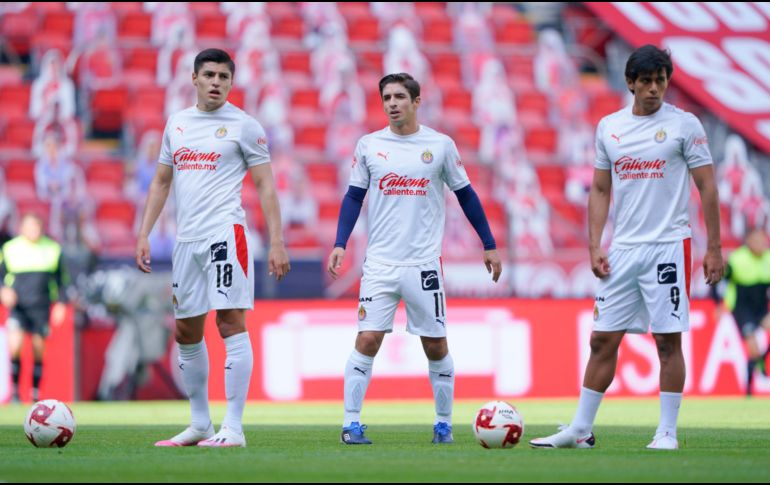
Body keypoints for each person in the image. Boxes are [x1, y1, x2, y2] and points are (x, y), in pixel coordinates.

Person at [529, 45, 724, 451]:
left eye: (661, 80)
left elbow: (707, 186)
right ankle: (581, 429)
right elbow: (600, 188)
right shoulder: (609, 127)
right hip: (623, 250)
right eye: (647, 81)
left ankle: (667, 432)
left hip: (668, 245)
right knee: (602, 340)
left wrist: (714, 248)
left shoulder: (684, 126)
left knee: (667, 341)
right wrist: (594, 244)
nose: (655, 89)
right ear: (631, 83)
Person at [328, 73, 503, 445]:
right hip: (380, 264)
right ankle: (350, 423)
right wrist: (340, 242)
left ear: (416, 101)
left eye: (399, 97)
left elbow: (467, 195)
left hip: (424, 265)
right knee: (367, 338)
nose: (392, 103)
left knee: (435, 345)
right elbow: (354, 196)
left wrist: (488, 243)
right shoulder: (370, 145)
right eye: (386, 97)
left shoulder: (439, 146)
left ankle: (443, 424)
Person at [135, 48, 290, 448]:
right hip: (187, 240)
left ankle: (233, 428)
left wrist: (277, 240)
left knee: (229, 323)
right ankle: (200, 423)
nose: (216, 82)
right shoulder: (178, 124)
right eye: (210, 75)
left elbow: (266, 186)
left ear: (231, 82)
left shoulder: (245, 126)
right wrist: (143, 233)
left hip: (226, 234)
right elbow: (161, 183)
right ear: (194, 79)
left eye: (224, 76)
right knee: (186, 329)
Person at [0, 213, 68, 403]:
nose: (33, 231)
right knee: (15, 345)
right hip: (19, 305)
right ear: (22, 228)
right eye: (29, 227)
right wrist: (3, 290)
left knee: (39, 348)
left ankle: (34, 393)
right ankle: (14, 393)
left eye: (36, 227)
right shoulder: (10, 249)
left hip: (41, 305)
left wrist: (61, 303)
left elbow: (62, 280)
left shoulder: (53, 249)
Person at [713, 228, 770, 396]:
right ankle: (748, 390)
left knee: (758, 349)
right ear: (749, 242)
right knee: (752, 348)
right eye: (758, 241)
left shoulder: (768, 258)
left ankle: (762, 359)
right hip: (742, 309)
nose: (762, 244)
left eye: (764, 240)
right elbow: (719, 281)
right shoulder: (737, 260)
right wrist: (719, 304)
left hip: (762, 308)